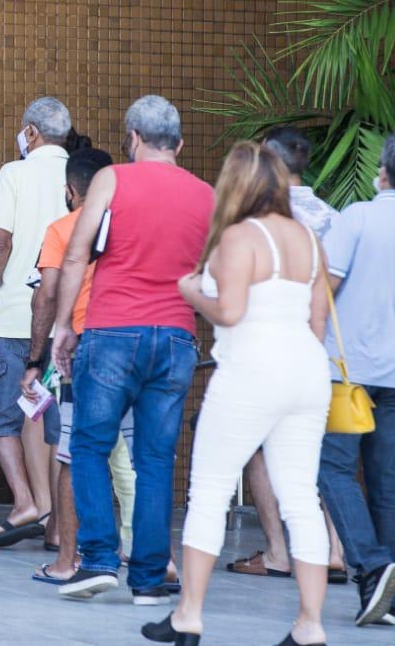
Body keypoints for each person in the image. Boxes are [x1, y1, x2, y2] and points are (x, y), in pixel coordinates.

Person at [142, 141, 332, 646]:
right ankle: (310, 624)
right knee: (302, 500)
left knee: (208, 493)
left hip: (251, 368)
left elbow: (228, 311)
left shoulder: (239, 237)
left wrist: (189, 294)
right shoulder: (309, 240)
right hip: (307, 372)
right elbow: (317, 321)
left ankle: (189, 615)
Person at [51, 94, 213, 603]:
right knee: (156, 460)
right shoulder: (206, 194)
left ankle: (98, 559)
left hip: (113, 332)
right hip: (175, 339)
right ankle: (147, 579)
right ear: (180, 145)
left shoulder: (111, 179)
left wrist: (62, 326)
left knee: (90, 446)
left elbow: (77, 253)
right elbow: (212, 271)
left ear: (133, 137)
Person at [318, 127, 395, 627]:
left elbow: (325, 288)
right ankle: (387, 603)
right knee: (390, 482)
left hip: (347, 374)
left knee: (332, 469)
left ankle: (372, 569)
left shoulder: (358, 217)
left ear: (383, 170)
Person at [227, 124, 348, 583]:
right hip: (323, 355)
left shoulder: (255, 221)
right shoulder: (335, 217)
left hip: (267, 352)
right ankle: (334, 548)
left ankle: (278, 551)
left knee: (259, 451)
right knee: (322, 455)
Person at [0, 97, 69, 548]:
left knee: (2, 413)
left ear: (30, 132)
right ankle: (52, 518)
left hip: (18, 317)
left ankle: (25, 501)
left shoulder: (15, 173)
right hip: (65, 320)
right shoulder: (85, 175)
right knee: (46, 416)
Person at [22, 145, 117, 584]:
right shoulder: (124, 226)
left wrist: (35, 358)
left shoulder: (63, 228)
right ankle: (151, 558)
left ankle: (68, 559)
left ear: (70, 190)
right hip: (127, 342)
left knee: (71, 453)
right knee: (135, 457)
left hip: (77, 348)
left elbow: (45, 294)